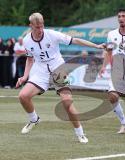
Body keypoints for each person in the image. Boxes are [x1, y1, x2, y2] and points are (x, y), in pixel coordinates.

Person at [15, 12, 105, 143]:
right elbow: (30, 59)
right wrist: (24, 76)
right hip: (40, 72)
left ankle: (80, 133)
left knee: (67, 102)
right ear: (31, 26)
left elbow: (75, 40)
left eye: (42, 26)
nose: (40, 30)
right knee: (23, 96)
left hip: (58, 69)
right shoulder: (27, 40)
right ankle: (34, 119)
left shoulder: (52, 34)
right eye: (37, 27)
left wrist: (96, 46)